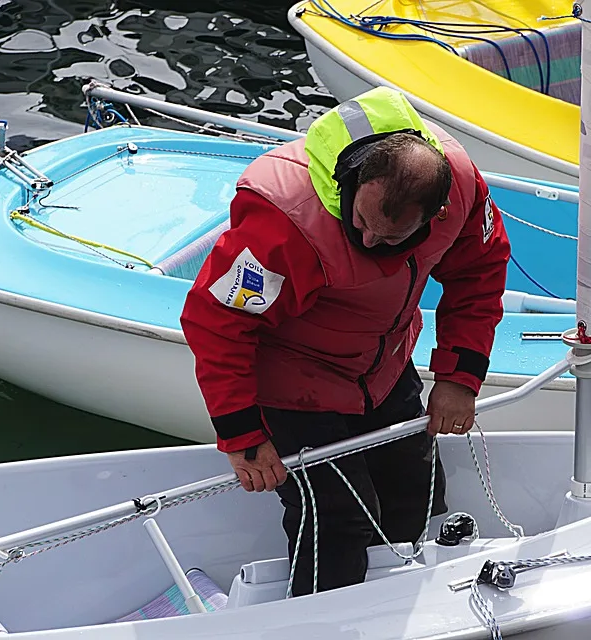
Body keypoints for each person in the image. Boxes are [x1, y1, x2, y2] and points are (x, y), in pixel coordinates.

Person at [180, 85, 510, 596]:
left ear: (435, 214)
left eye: (392, 236)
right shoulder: (283, 225)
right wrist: (242, 436)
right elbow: (217, 322)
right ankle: (316, 622)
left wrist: (460, 378)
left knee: (416, 494)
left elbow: (479, 275)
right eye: (361, 223)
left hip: (384, 365)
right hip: (292, 384)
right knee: (337, 519)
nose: (372, 242)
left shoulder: (462, 190)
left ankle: (397, 608)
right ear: (352, 183)